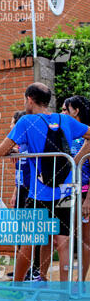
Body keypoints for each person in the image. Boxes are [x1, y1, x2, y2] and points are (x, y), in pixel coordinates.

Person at [0, 83, 90, 301]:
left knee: (29, 241)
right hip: (65, 192)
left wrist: (21, 152)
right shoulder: (65, 120)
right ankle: (63, 300)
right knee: (64, 242)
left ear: (29, 99)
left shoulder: (25, 122)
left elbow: (0, 150)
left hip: (38, 193)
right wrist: (76, 159)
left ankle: (16, 287)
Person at [6, 111, 41, 281]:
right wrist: (14, 193)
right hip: (20, 190)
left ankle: (35, 269)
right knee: (21, 231)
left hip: (32, 191)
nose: (10, 126)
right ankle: (22, 269)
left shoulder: (29, 142)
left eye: (12, 123)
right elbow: (19, 172)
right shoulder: (18, 146)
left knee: (32, 232)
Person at [61, 95, 90, 281]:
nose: (62, 113)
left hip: (84, 192)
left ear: (76, 111)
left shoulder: (87, 136)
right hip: (65, 192)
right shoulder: (65, 133)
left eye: (65, 109)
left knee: (85, 239)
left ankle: (81, 281)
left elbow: (77, 163)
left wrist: (89, 200)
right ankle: (66, 281)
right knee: (65, 237)